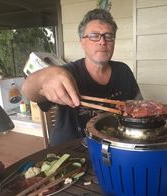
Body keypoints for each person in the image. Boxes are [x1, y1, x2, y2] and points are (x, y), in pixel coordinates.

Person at [22, 9, 142, 146]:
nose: (102, 41)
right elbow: (28, 90)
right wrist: (45, 76)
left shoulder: (123, 71)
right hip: (71, 149)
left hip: (115, 146)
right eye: (94, 35)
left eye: (109, 36)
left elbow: (138, 107)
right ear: (82, 42)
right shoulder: (66, 73)